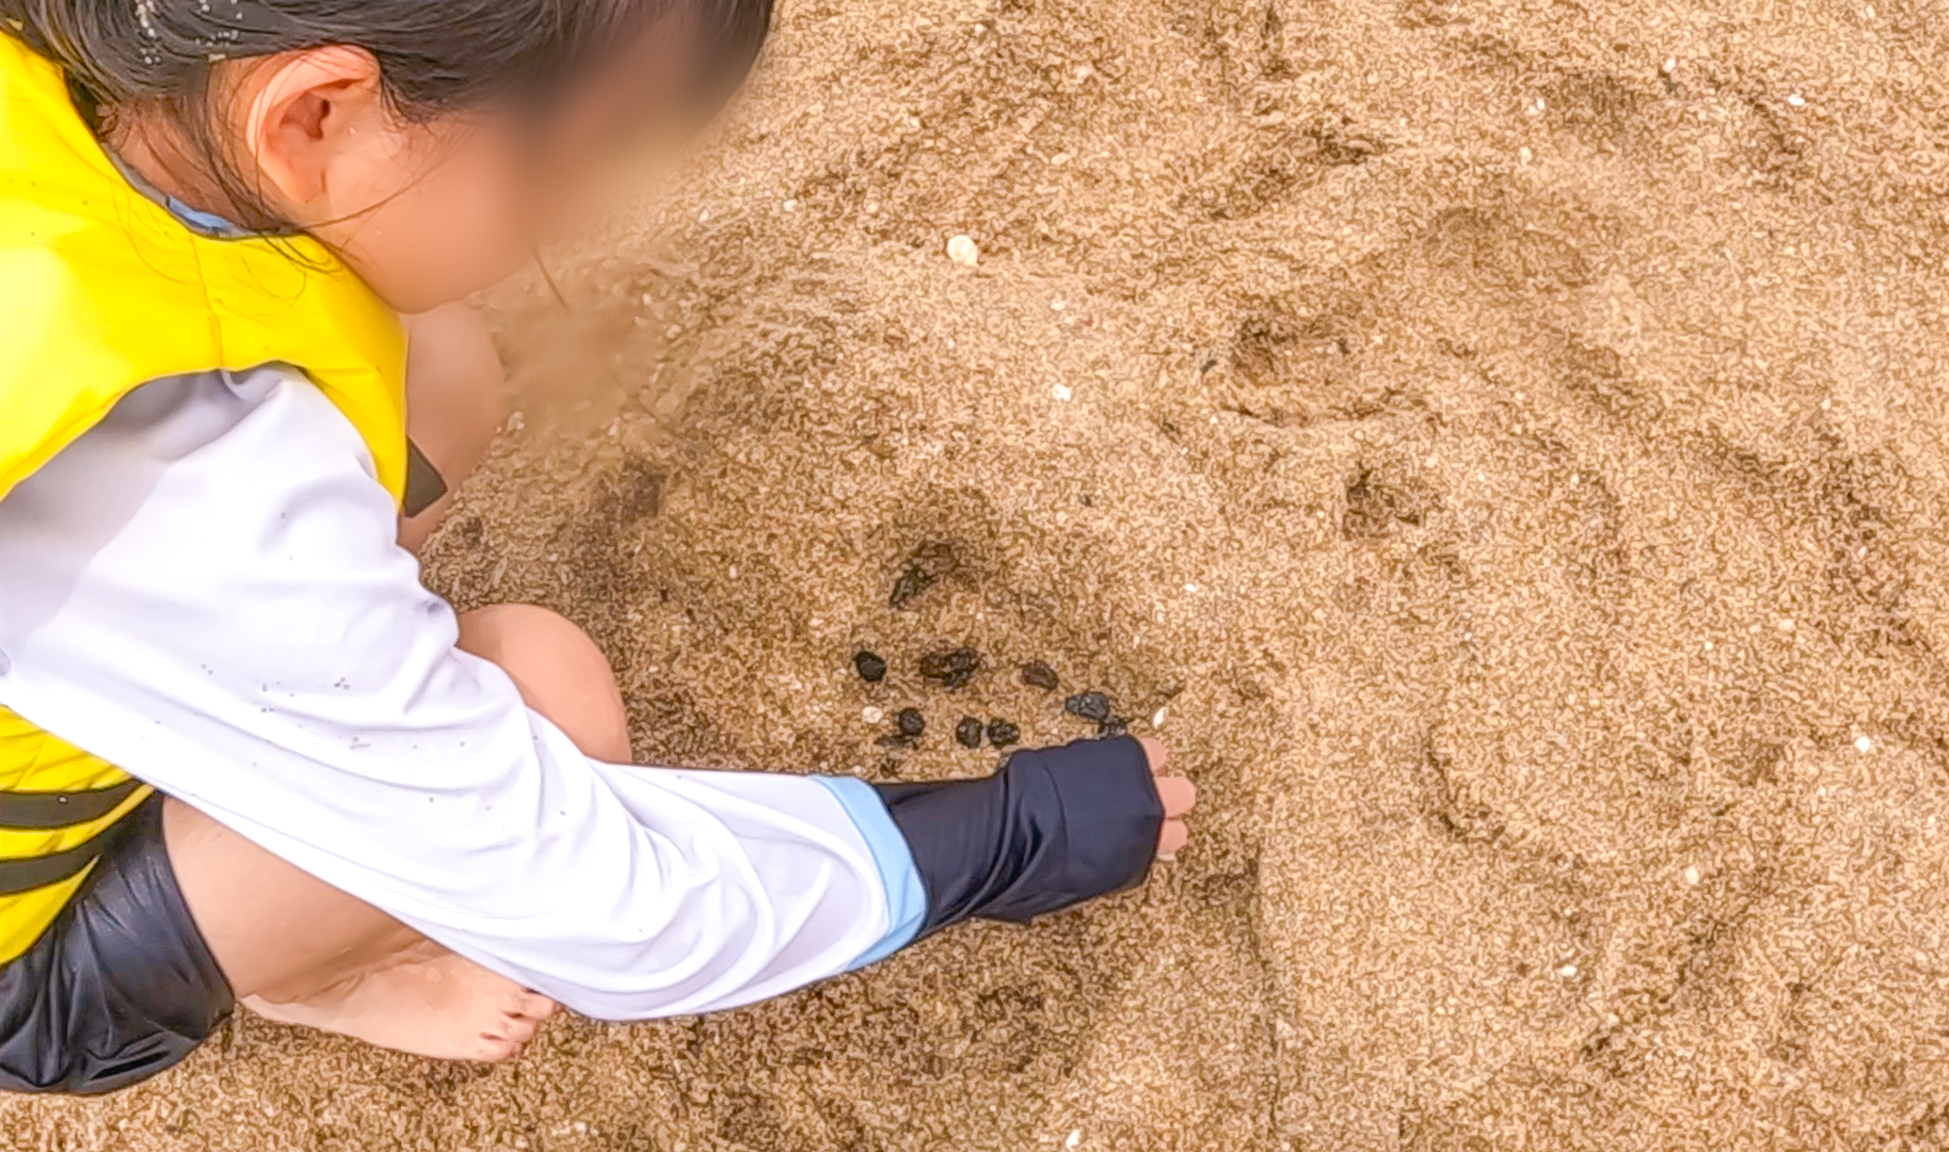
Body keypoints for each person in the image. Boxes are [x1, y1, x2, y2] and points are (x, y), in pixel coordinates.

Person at [0, 0, 1197, 1093]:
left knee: (439, 363)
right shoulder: (179, 484)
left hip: (108, 629)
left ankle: (312, 729)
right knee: (545, 690)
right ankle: (309, 966)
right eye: (568, 161)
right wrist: (1001, 839)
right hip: (29, 968)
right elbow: (614, 908)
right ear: (314, 111)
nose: (583, 211)